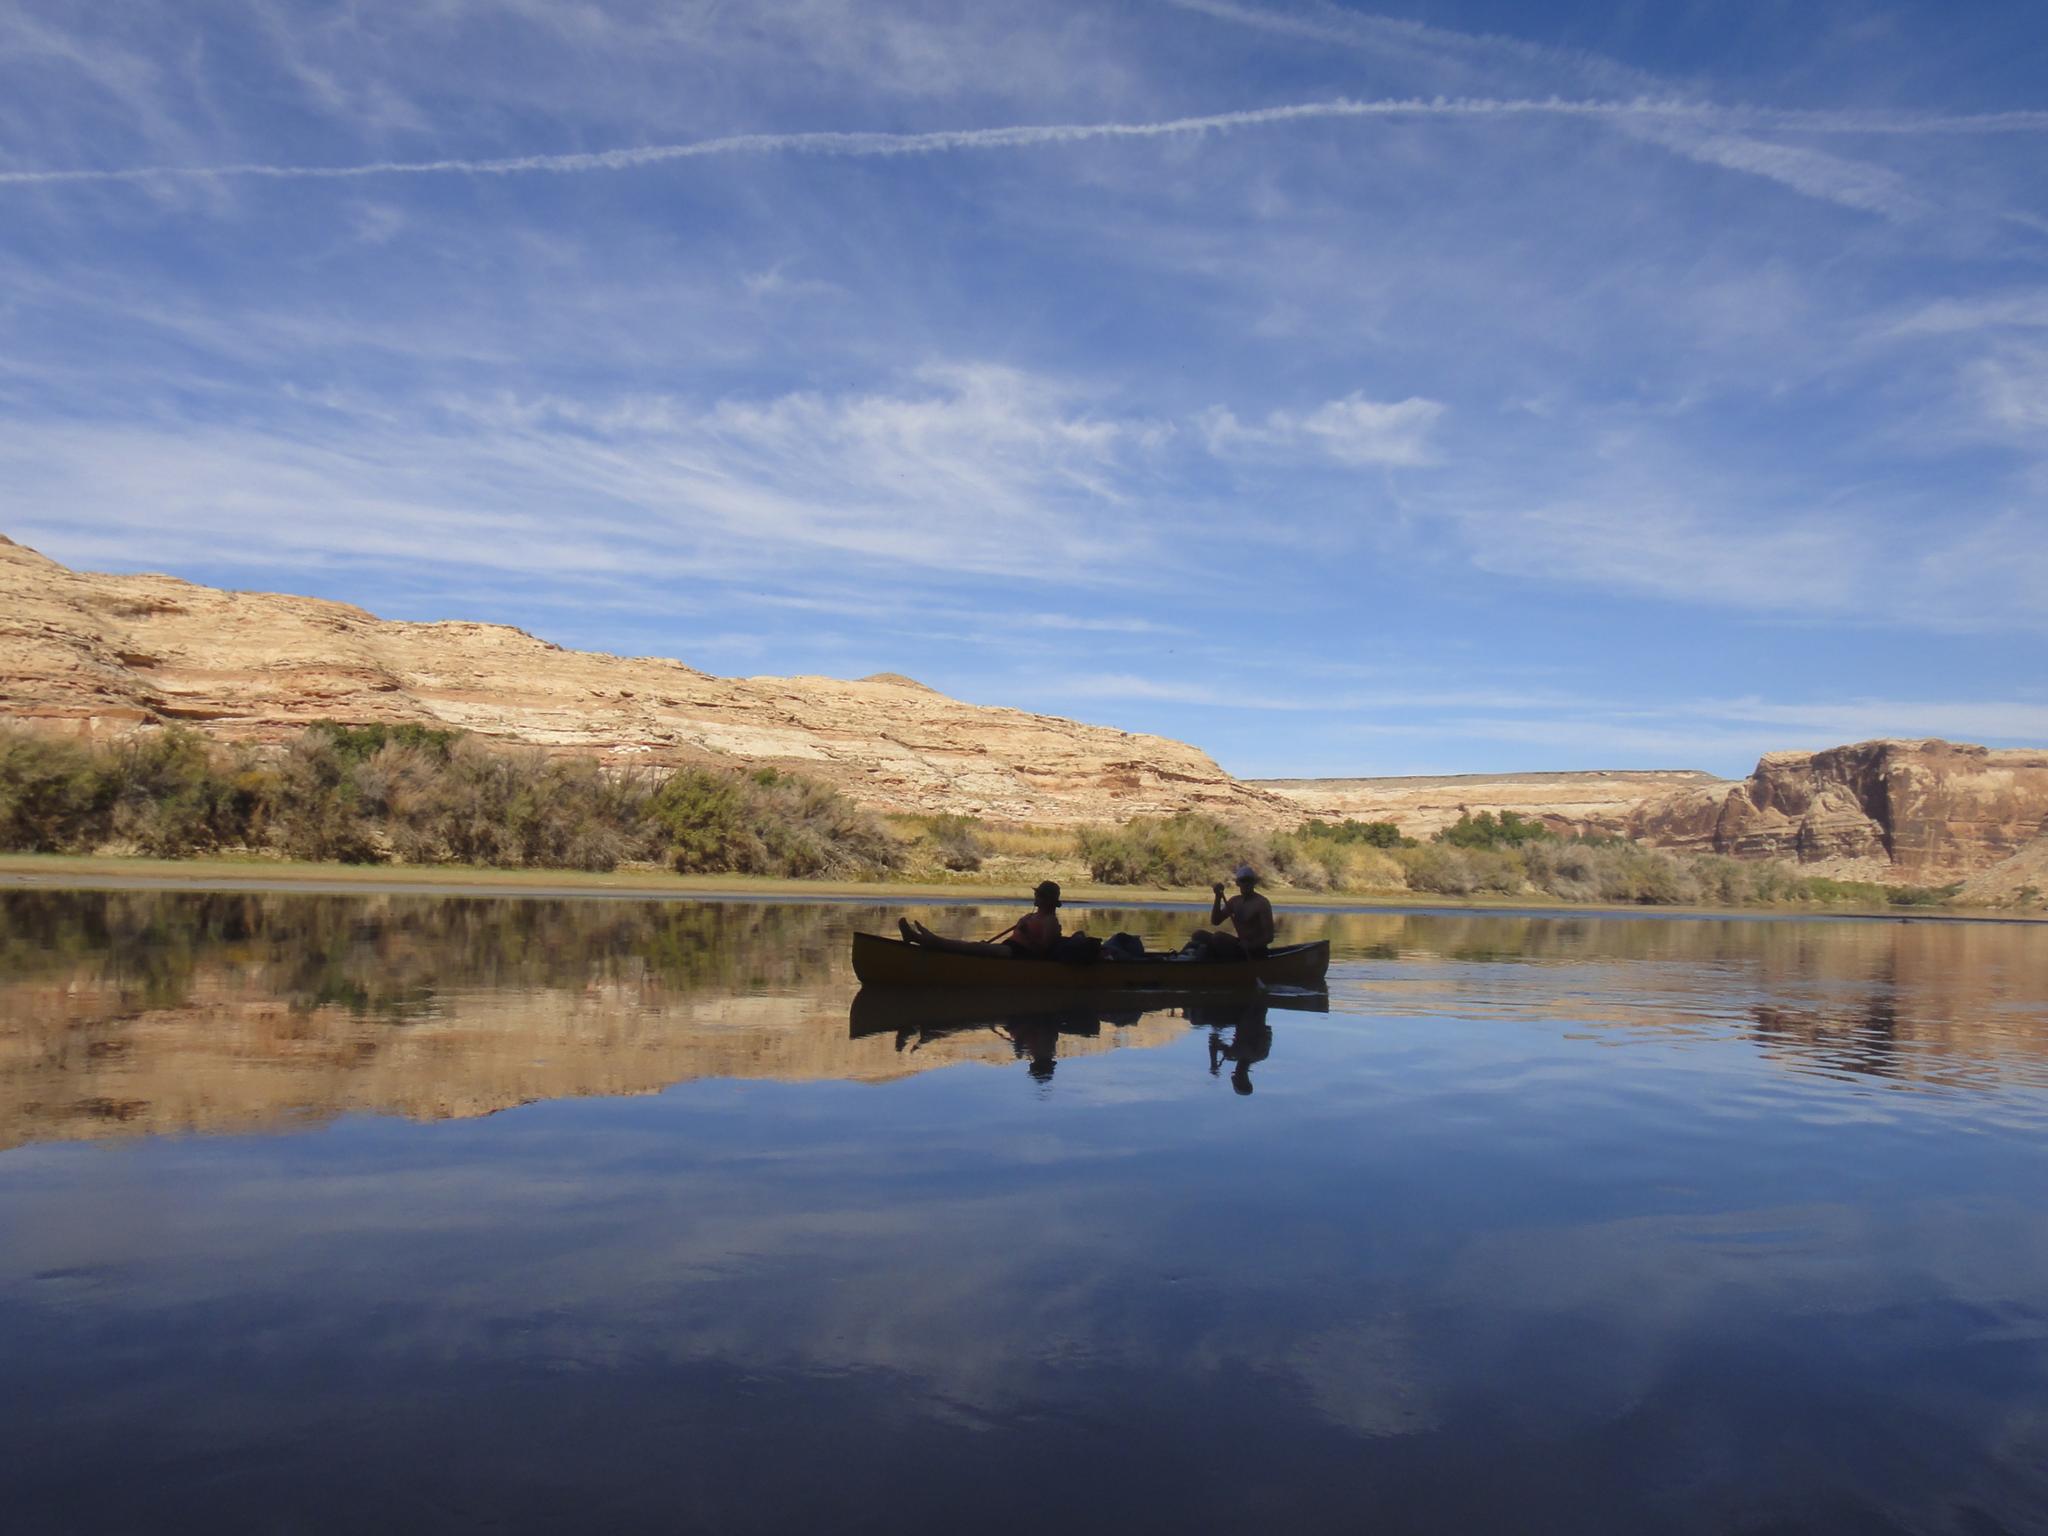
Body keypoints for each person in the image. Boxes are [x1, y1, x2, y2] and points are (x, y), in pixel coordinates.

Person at [899, 880, 1064, 959]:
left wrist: (1027, 934)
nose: (1036, 897)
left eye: (1039, 895)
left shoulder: (1051, 922)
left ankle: (928, 940)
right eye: (1036, 893)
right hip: (1008, 949)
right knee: (975, 947)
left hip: (1019, 955)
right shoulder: (1031, 916)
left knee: (973, 947)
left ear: (1049, 900)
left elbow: (1043, 952)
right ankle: (922, 939)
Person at [1187, 864, 1275, 959]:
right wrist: (1218, 897)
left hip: (1254, 951)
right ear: (1238, 883)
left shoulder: (1262, 903)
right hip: (1240, 946)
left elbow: (1269, 937)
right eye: (1243, 881)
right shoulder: (1235, 901)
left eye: (1249, 880)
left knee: (1218, 937)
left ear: (1254, 882)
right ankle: (1187, 958)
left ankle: (1223, 965)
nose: (1246, 884)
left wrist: (1251, 945)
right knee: (1198, 935)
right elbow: (1216, 921)